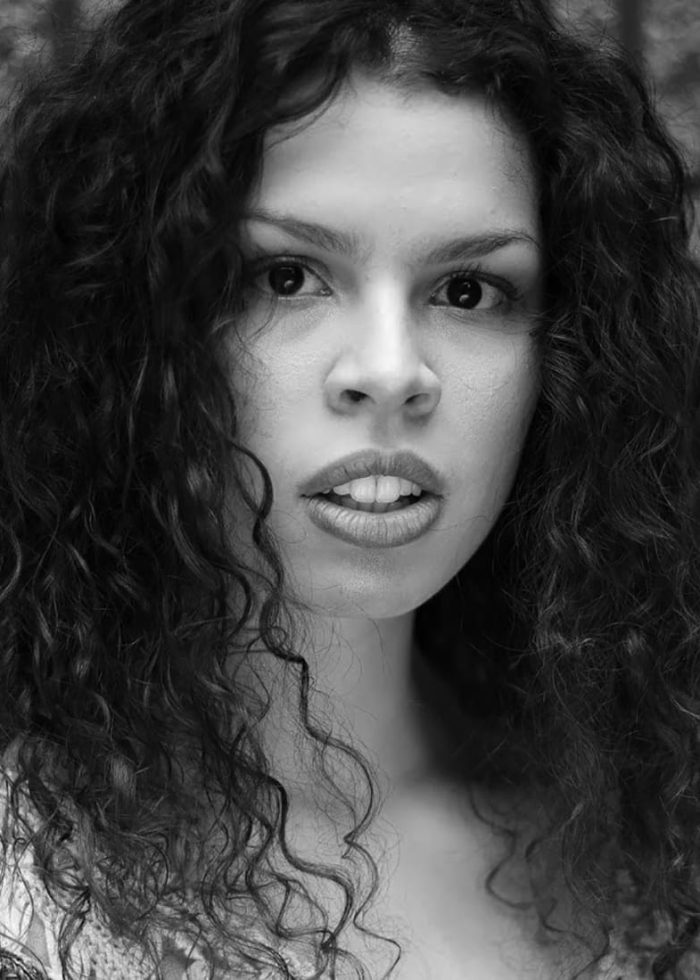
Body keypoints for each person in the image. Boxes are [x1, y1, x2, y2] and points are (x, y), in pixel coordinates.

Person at [0, 0, 699, 976]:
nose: (390, 370)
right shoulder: (30, 895)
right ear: (127, 331)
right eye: (285, 276)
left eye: (468, 290)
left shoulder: (654, 825)